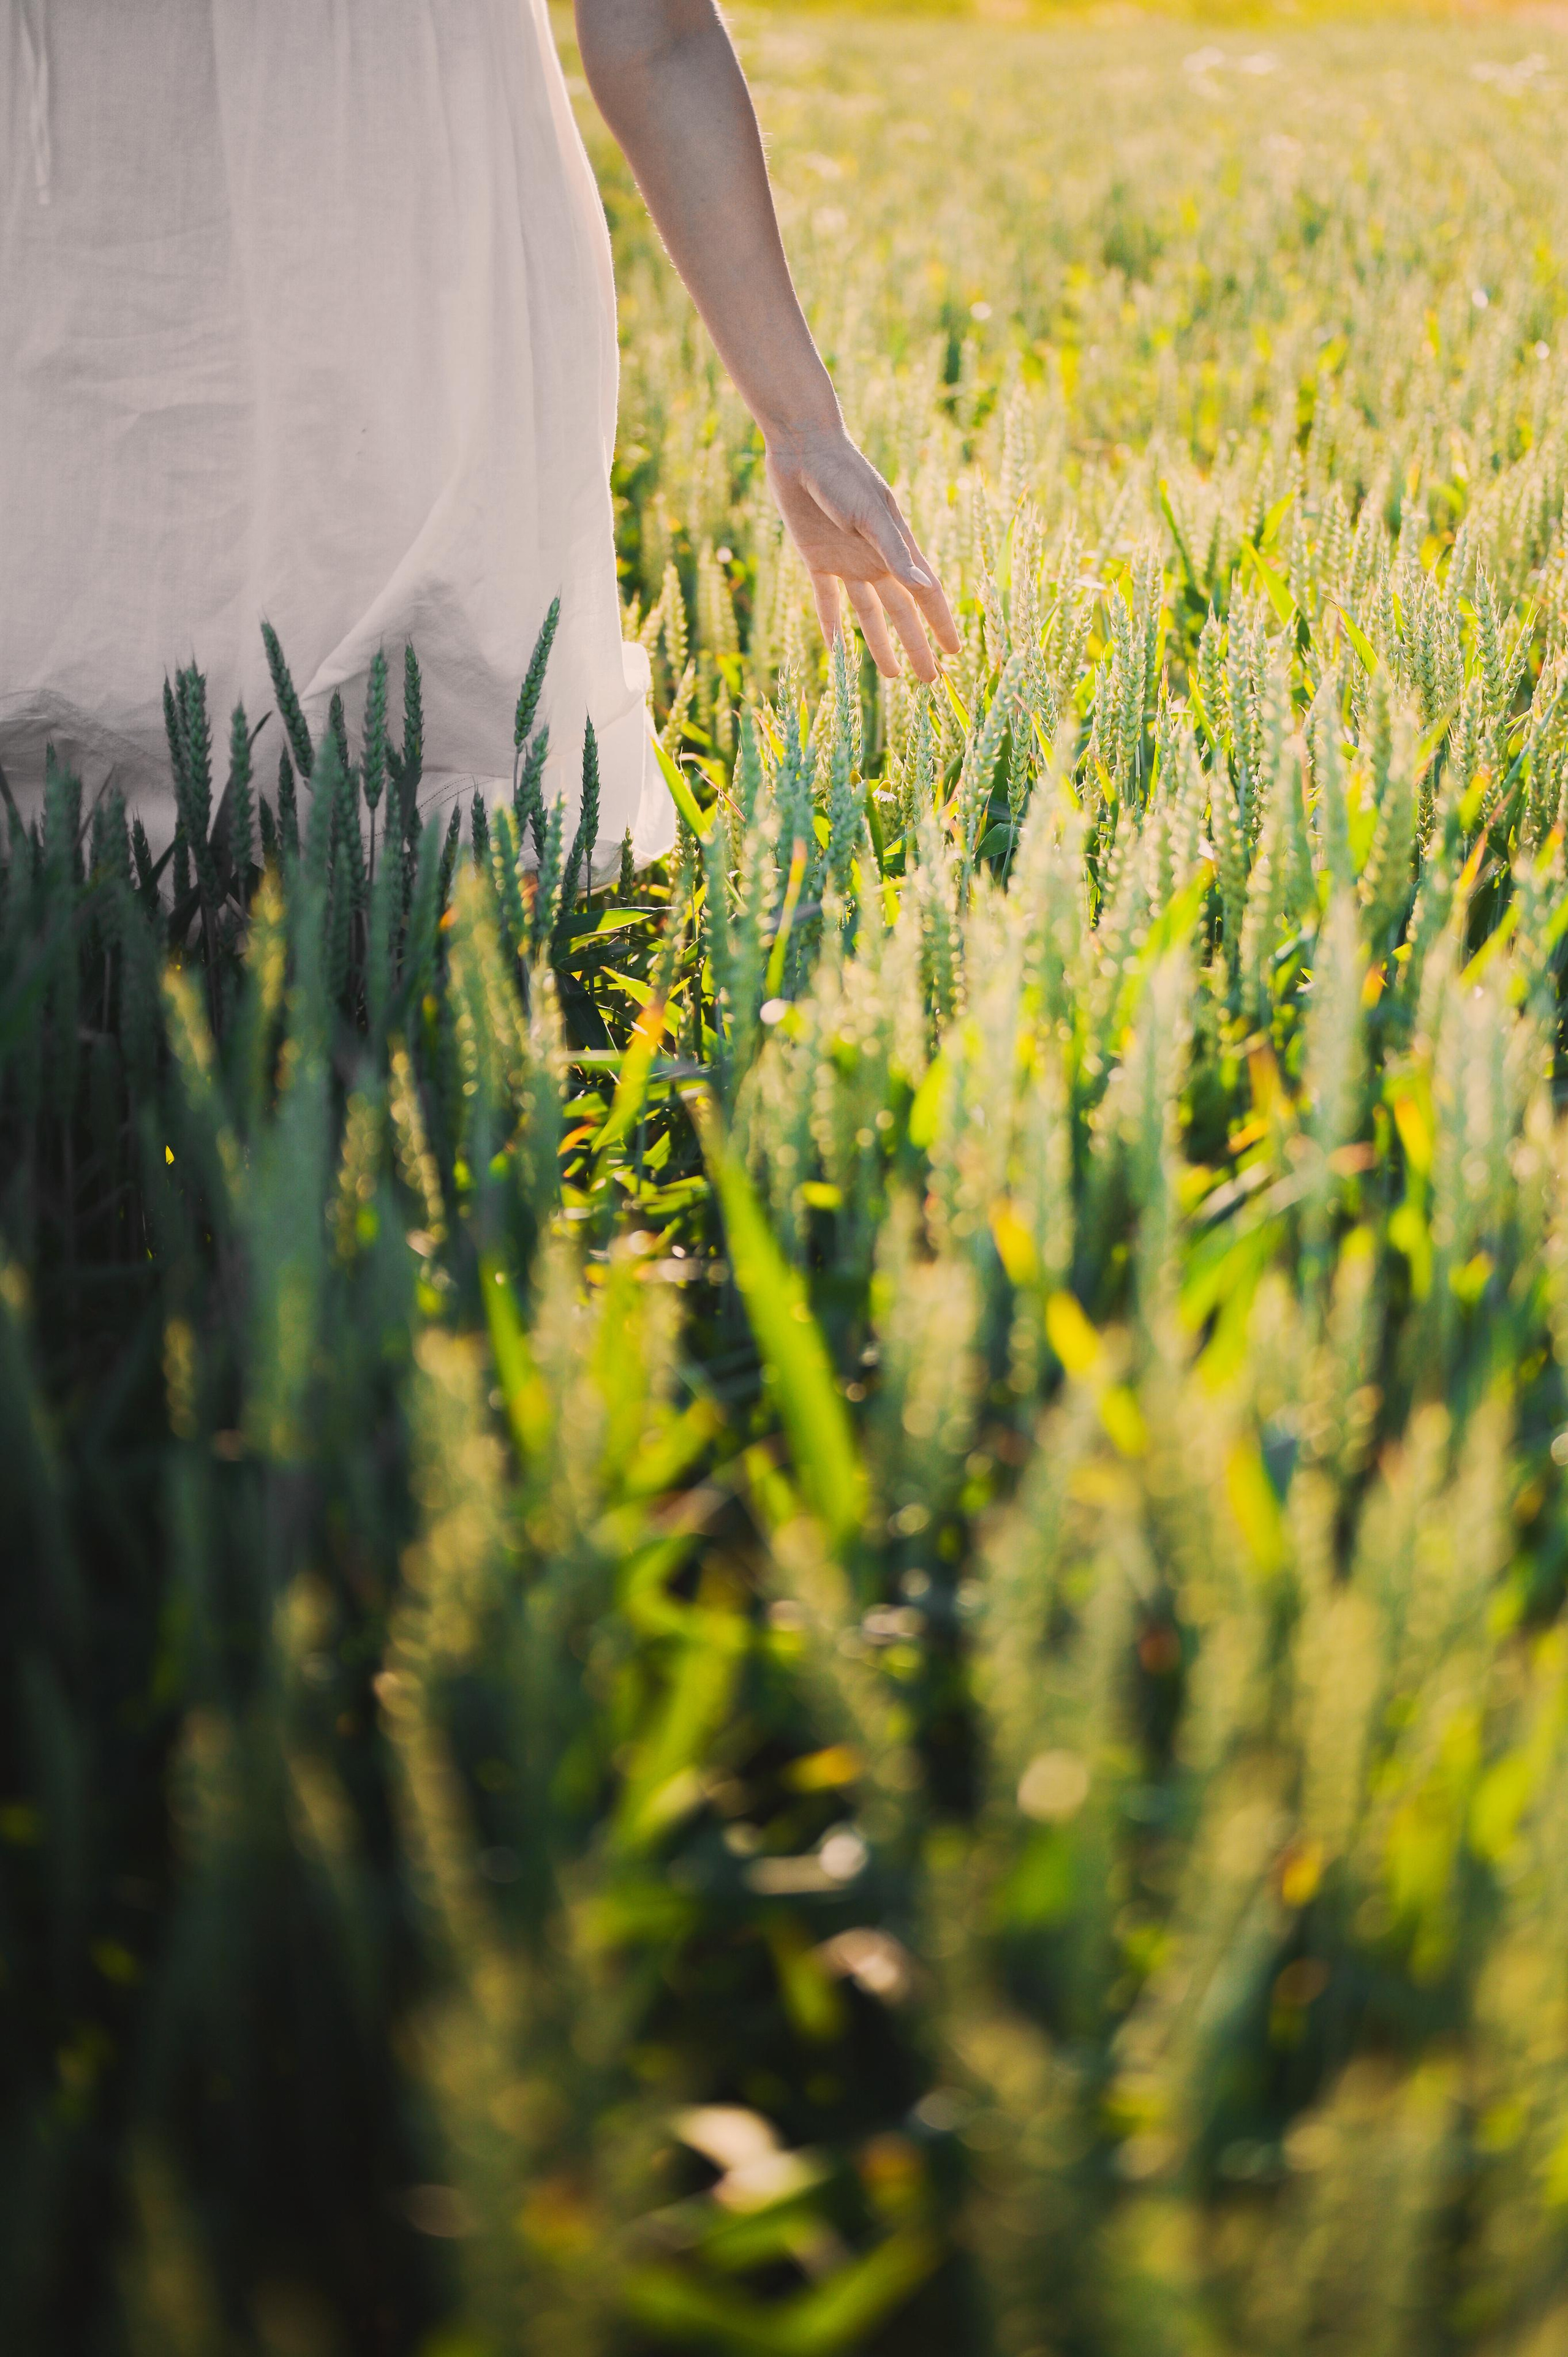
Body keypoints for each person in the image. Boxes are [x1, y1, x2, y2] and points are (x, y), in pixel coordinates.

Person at [0, 0, 958, 863]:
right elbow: (658, 34)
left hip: (394, 273)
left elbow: (657, 29)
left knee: (398, 812)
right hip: (109, 234)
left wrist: (803, 422)